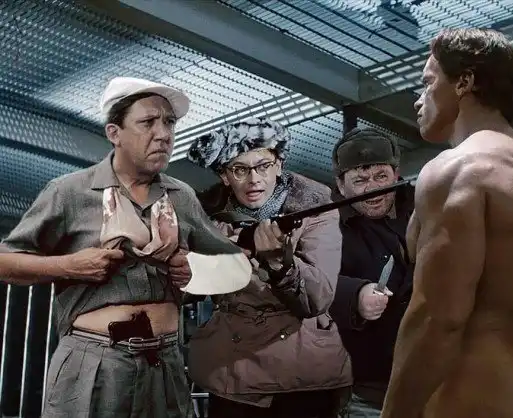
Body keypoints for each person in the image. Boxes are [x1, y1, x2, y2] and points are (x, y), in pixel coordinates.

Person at [0, 76, 251, 418]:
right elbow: (5, 263)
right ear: (114, 133)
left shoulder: (181, 197)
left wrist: (197, 268)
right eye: (148, 122)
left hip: (165, 365)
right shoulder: (69, 192)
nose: (164, 134)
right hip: (94, 362)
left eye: (169, 123)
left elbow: (236, 268)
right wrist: (69, 266)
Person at [380, 28, 513, 418]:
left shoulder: (461, 168)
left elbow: (438, 317)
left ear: (464, 82)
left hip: (475, 399)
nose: (418, 98)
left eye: (428, 82)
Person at [186, 117, 352, 418]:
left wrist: (280, 264)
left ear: (279, 165)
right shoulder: (204, 219)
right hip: (233, 372)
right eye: (240, 169)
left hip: (306, 375)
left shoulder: (316, 210)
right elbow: (184, 288)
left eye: (263, 166)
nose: (254, 179)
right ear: (225, 176)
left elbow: (318, 299)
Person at [328, 127, 415, 417]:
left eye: (381, 176)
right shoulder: (323, 225)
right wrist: (353, 296)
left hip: (438, 382)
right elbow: (305, 281)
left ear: (396, 174)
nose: (373, 189)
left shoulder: (429, 208)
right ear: (341, 185)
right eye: (360, 180)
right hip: (367, 392)